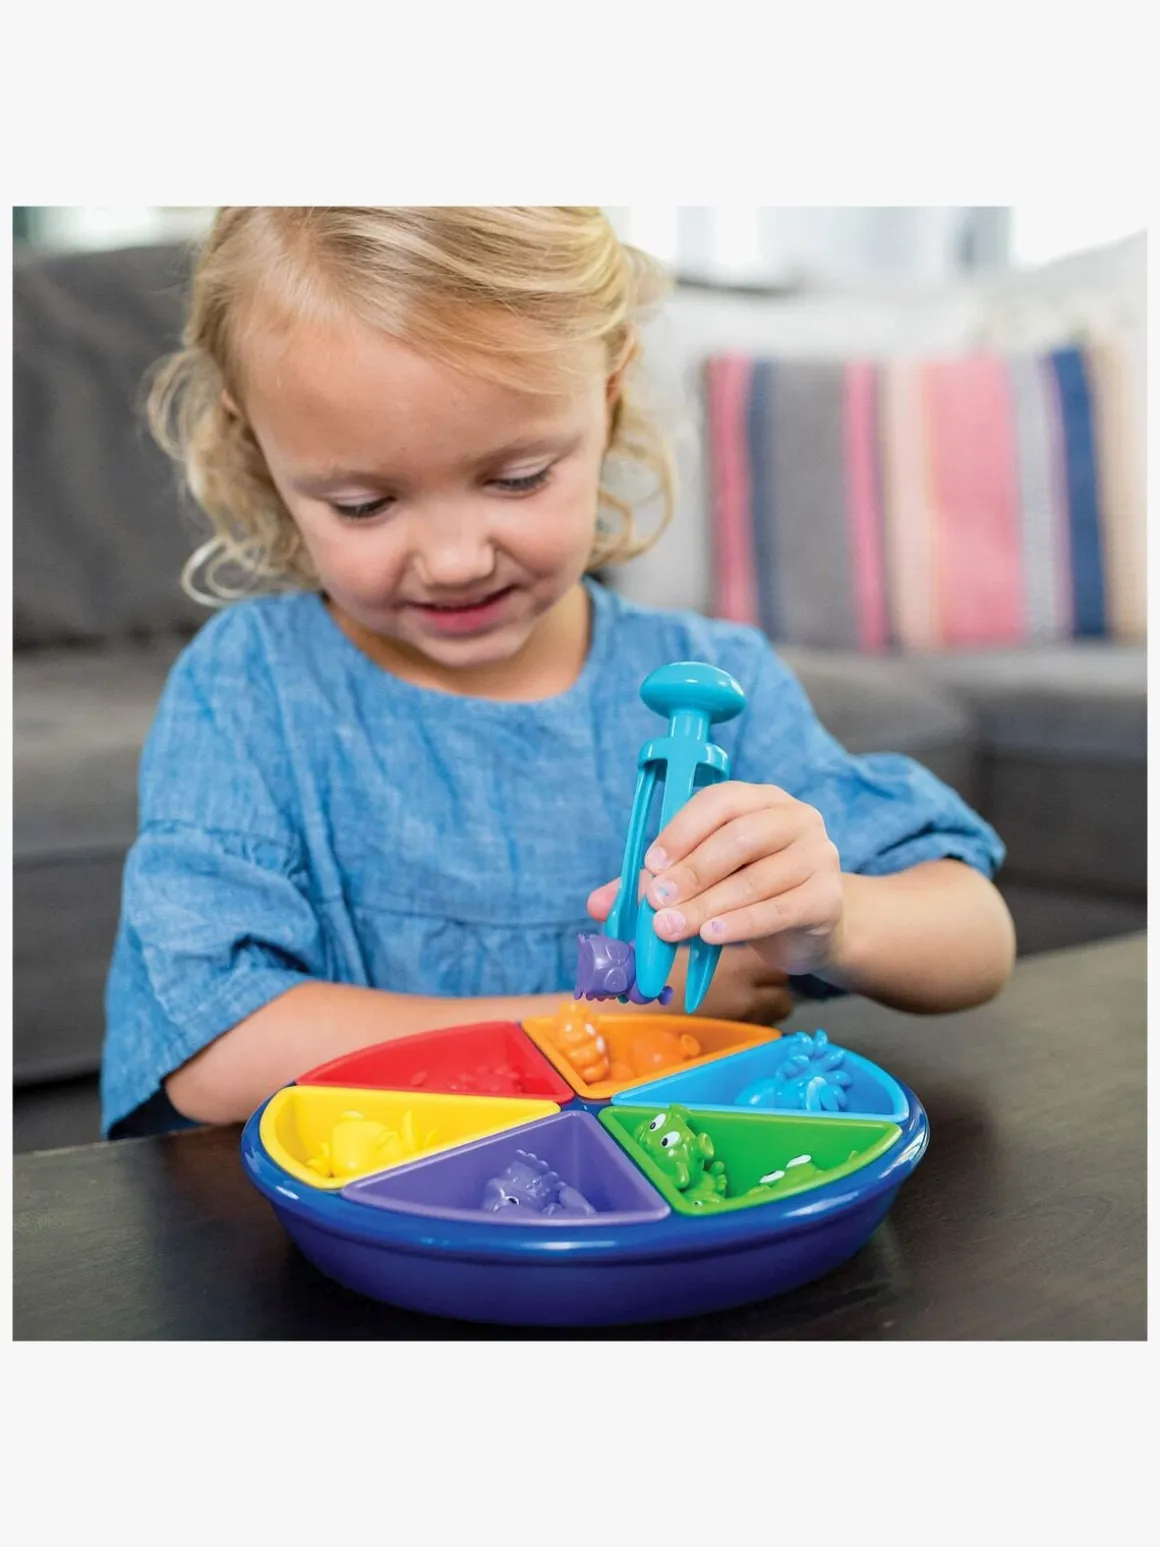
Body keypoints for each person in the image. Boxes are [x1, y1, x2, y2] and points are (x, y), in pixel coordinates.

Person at [101, 207, 1014, 1138]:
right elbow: (216, 1056)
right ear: (259, 450)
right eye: (365, 503)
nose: (455, 559)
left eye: (518, 477)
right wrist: (601, 1027)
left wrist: (834, 922)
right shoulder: (249, 688)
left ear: (608, 397)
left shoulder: (709, 687)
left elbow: (977, 936)